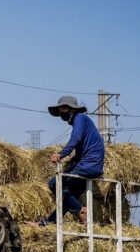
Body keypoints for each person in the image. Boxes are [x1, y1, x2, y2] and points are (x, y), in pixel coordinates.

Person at [36, 95, 106, 226]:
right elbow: (81, 150)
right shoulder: (82, 122)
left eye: (63, 108)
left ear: (72, 109)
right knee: (67, 197)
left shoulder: (80, 118)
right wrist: (72, 160)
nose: (61, 113)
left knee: (54, 184)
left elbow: (76, 139)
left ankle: (81, 211)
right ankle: (47, 223)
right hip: (89, 164)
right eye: (60, 109)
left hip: (89, 164)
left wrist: (61, 154)